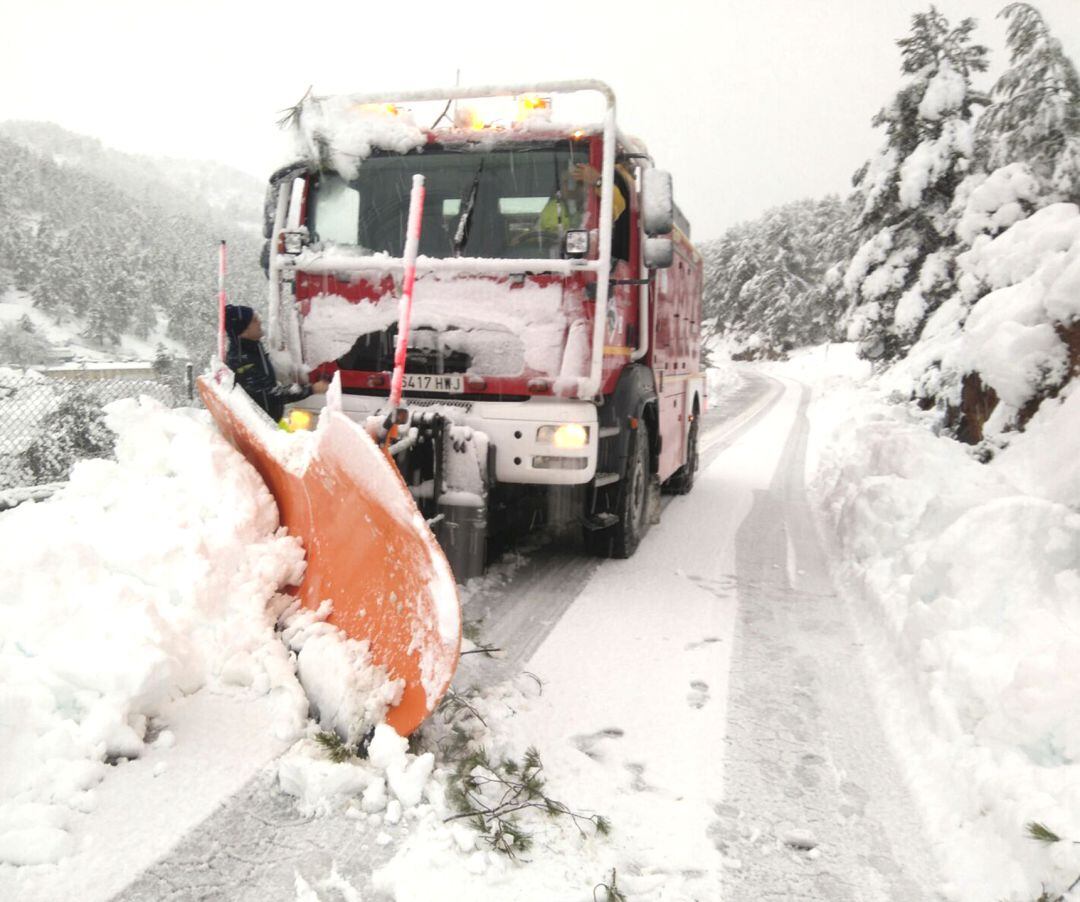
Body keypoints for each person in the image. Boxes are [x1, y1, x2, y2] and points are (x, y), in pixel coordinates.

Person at [224, 304, 328, 422]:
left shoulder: (251, 351)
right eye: (254, 320)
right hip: (260, 429)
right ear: (244, 330)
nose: (259, 321)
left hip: (268, 424)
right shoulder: (242, 361)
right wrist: (311, 389)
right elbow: (269, 395)